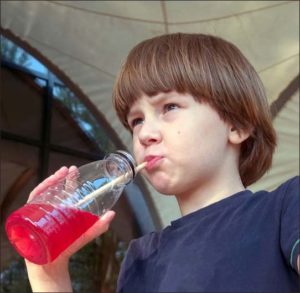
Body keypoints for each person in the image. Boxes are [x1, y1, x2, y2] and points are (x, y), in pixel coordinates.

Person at [24, 33, 299, 292]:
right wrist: (47, 272)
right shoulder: (140, 258)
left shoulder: (284, 208)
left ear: (237, 125)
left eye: (169, 107)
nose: (144, 134)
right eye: (136, 120)